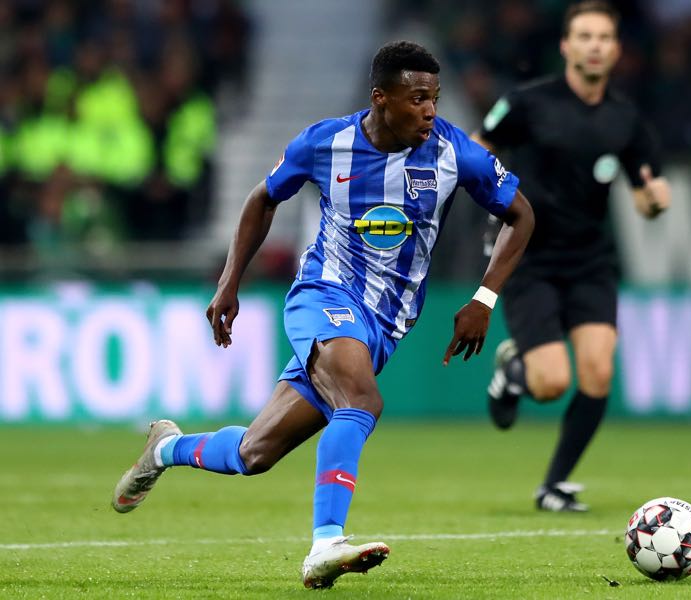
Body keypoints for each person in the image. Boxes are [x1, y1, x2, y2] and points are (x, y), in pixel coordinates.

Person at [110, 41, 534, 589]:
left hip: (385, 324)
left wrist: (484, 298)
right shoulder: (325, 142)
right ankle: (326, 544)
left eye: (435, 98)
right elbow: (263, 198)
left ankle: (163, 448)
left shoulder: (458, 153)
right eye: (418, 98)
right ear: (381, 99)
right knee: (360, 400)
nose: (430, 110)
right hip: (323, 296)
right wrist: (230, 279)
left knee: (253, 453)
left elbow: (520, 216)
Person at [474, 1, 671, 512]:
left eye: (604, 37)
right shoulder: (528, 102)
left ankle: (554, 484)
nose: (594, 45)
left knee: (599, 372)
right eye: (584, 36)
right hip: (529, 256)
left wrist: (654, 201)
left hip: (589, 261)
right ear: (566, 45)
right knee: (551, 384)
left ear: (616, 49)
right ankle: (515, 370)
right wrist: (493, 198)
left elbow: (650, 191)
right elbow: (478, 146)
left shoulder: (626, 119)